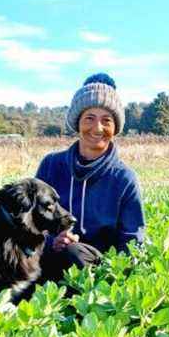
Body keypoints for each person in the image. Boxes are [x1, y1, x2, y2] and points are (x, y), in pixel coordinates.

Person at [34, 73, 145, 286]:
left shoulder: (124, 179)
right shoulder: (51, 165)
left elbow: (132, 241)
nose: (98, 128)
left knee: (74, 253)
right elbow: (29, 223)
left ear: (115, 128)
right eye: (89, 118)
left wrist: (118, 276)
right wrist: (51, 242)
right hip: (48, 257)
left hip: (97, 268)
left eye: (107, 120)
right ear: (77, 123)